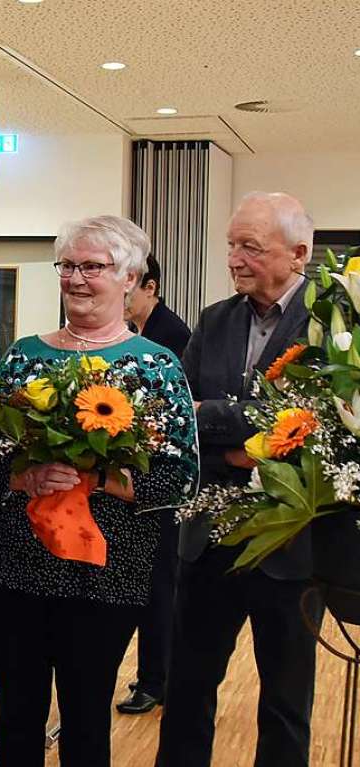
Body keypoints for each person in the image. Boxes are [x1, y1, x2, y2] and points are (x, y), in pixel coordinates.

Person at [0, 215, 199, 767]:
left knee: (87, 719)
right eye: (67, 265)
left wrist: (105, 481)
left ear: (130, 277)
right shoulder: (24, 355)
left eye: (92, 266)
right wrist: (25, 477)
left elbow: (181, 477)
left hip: (105, 573)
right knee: (16, 715)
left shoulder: (156, 367)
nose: (75, 278)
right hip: (14, 564)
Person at [155, 192, 322, 767]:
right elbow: (178, 416)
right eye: (230, 245)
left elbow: (318, 429)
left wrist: (218, 418)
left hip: (291, 549)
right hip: (207, 540)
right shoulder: (214, 319)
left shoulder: (332, 326)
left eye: (250, 246)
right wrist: (238, 443)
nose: (233, 258)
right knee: (187, 690)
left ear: (298, 253)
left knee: (284, 701)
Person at [116, 253, 192, 715]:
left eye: (131, 285)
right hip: (129, 483)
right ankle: (152, 672)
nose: (122, 295)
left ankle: (156, 679)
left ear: (151, 287)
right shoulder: (137, 333)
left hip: (156, 483)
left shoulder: (172, 337)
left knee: (160, 584)